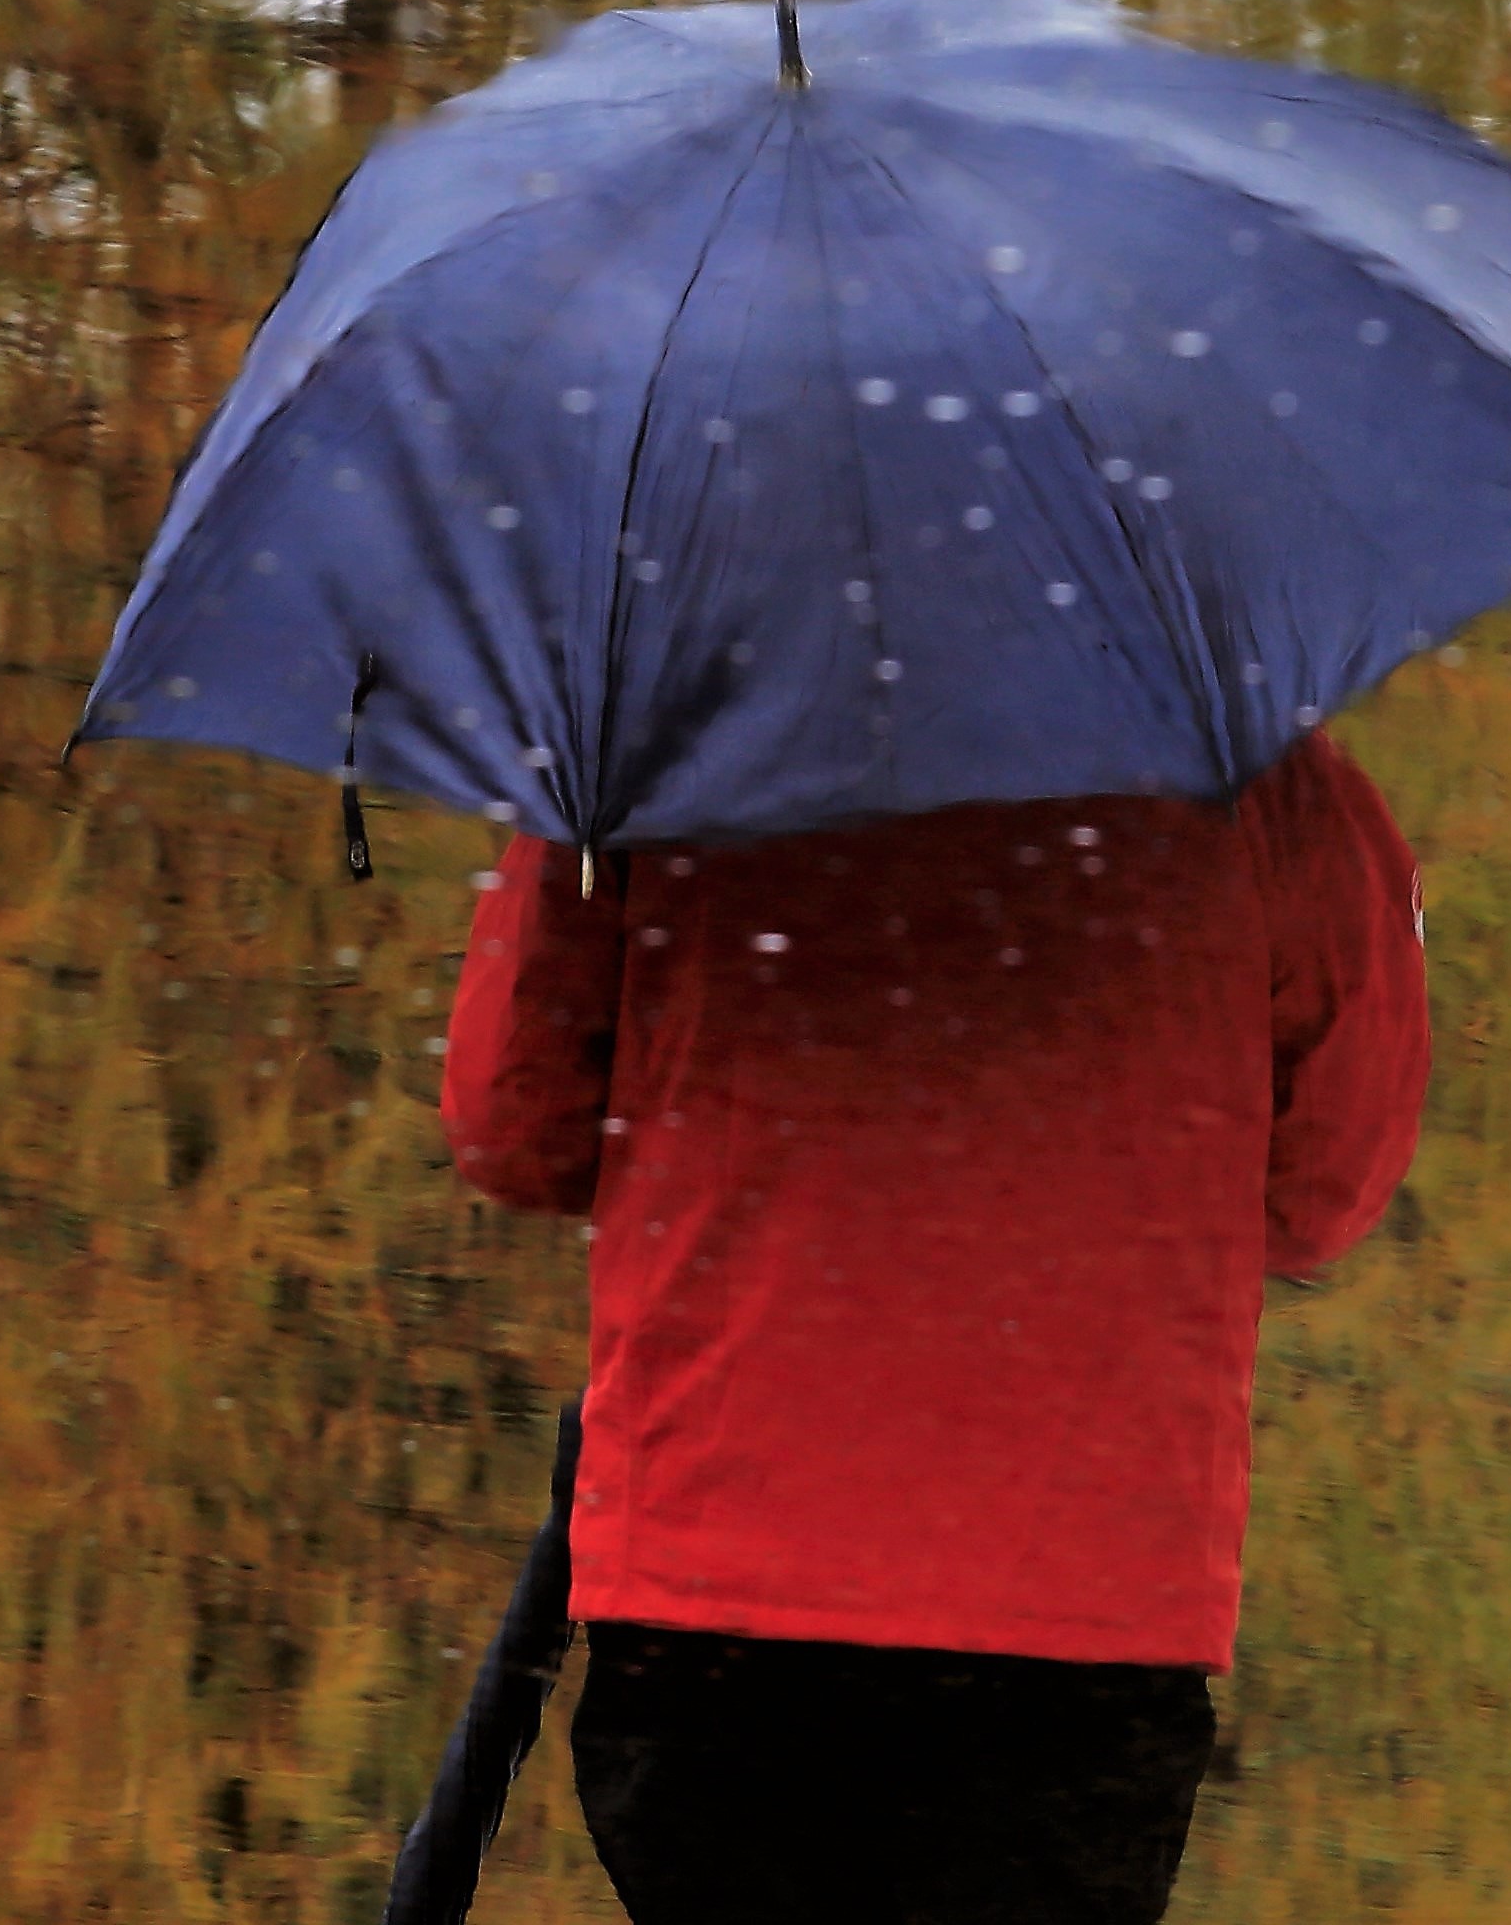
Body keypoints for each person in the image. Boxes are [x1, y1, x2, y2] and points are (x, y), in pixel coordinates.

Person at [441, 731, 1432, 1925]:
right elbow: (1324, 1190)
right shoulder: (1260, 770)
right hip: (1082, 1618)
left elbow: (515, 1126)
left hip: (721, 1594)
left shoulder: (657, 734)